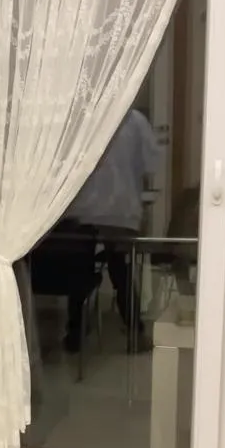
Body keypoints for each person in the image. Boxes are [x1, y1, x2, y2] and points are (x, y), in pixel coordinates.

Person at [63, 107, 161, 352]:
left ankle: (74, 334)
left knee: (79, 271)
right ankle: (135, 332)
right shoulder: (135, 120)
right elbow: (151, 164)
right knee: (122, 273)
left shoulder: (83, 117)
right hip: (120, 213)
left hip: (81, 212)